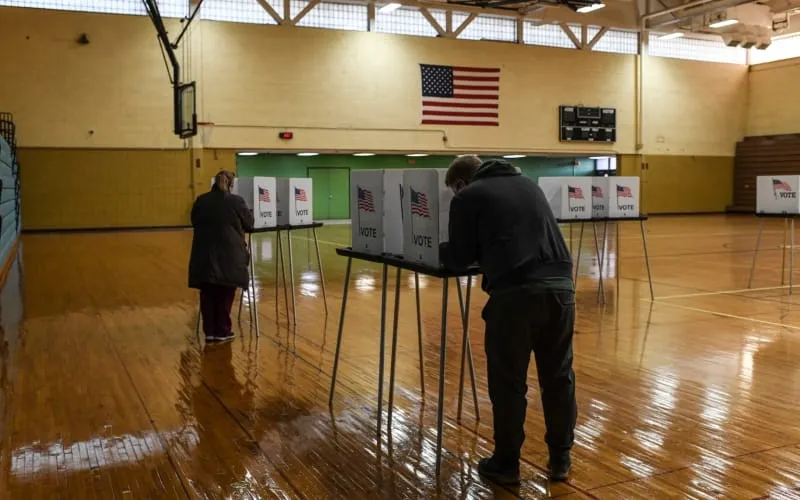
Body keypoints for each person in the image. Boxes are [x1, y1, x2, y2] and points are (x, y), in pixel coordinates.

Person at [440, 155, 577, 485]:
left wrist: (437, 248)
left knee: (509, 382)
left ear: (460, 183)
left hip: (515, 294)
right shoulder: (529, 185)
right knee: (558, 377)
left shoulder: (467, 196)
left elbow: (460, 257)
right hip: (561, 289)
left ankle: (506, 463)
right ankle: (560, 458)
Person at [189, 170, 254, 343]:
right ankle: (223, 330)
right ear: (231, 184)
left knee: (207, 292)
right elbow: (250, 224)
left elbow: (194, 221)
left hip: (204, 253)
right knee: (225, 292)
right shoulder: (236, 201)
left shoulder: (201, 200)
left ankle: (210, 331)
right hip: (229, 255)